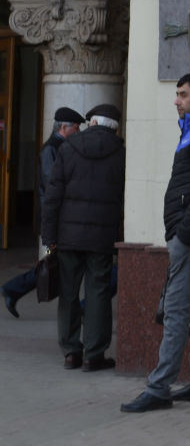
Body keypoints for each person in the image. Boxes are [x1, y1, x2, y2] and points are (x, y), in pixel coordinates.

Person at [120, 72, 190, 412]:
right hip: (189, 234)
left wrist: (183, 235)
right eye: (177, 94)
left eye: (183, 94)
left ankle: (158, 387)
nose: (176, 100)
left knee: (176, 309)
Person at [41, 104, 125, 370]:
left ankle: (70, 352)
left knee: (68, 292)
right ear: (115, 127)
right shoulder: (121, 153)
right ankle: (94, 354)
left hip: (68, 236)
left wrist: (49, 235)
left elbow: (52, 197)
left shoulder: (69, 148)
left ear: (92, 122)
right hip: (101, 237)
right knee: (98, 292)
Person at [2, 106, 85, 318]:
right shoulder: (51, 150)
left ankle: (14, 289)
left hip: (56, 218)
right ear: (65, 127)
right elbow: (52, 185)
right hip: (53, 219)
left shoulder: (59, 147)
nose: (78, 132)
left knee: (54, 261)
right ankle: (13, 288)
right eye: (76, 128)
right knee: (51, 261)